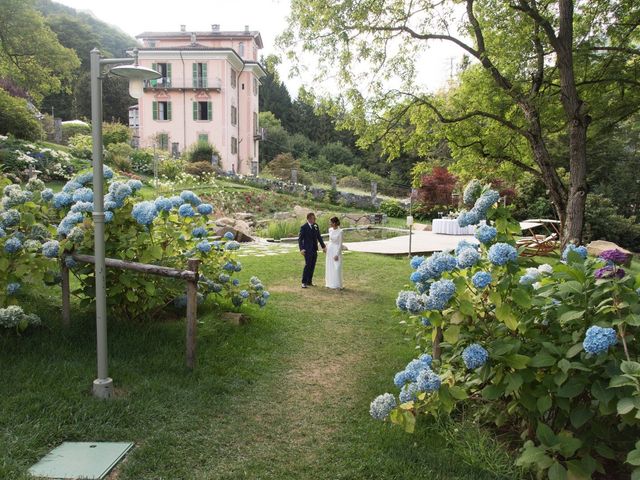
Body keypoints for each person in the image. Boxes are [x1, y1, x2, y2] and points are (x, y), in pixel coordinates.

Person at [298, 212, 326, 288]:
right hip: (307, 250)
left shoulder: (316, 226)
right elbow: (300, 239)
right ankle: (304, 282)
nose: (314, 220)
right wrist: (301, 249)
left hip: (314, 249)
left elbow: (319, 237)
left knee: (312, 265)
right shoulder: (304, 227)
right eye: (313, 218)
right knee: (308, 265)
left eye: (314, 218)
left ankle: (309, 281)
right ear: (309, 219)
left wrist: (323, 246)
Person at [325, 217, 343, 289]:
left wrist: (337, 254)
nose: (330, 224)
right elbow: (329, 240)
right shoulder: (330, 230)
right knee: (329, 266)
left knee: (336, 266)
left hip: (336, 249)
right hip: (330, 249)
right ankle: (329, 283)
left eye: (331, 222)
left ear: (335, 223)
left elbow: (340, 244)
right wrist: (326, 248)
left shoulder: (340, 231)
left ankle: (337, 284)